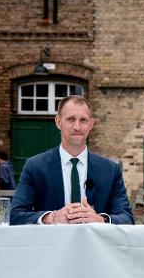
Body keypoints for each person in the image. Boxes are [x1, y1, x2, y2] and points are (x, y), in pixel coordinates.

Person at [10, 95, 134, 225]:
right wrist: (52, 217)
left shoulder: (110, 170)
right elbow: (16, 215)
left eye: (83, 120)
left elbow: (127, 218)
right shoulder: (35, 166)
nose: (77, 127)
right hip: (53, 244)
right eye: (71, 119)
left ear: (91, 124)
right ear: (58, 122)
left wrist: (100, 219)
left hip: (95, 244)